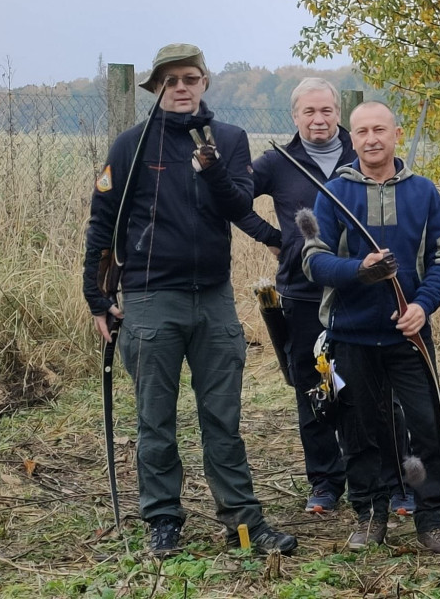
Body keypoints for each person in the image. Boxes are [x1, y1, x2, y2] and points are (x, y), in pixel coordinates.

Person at [82, 43, 296, 557]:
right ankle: (162, 520)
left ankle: (243, 523)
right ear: (156, 87)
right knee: (155, 418)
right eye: (171, 80)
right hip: (152, 298)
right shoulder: (131, 146)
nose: (181, 88)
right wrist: (97, 297)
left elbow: (238, 204)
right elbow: (102, 225)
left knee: (222, 417)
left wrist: (214, 168)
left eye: (190, 78)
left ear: (204, 84)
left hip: (215, 298)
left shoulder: (229, 139)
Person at [236, 78, 414, 516]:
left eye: (327, 111)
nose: (319, 120)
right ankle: (325, 481)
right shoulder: (278, 163)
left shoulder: (362, 152)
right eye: (309, 112)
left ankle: (395, 483)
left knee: (379, 391)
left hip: (361, 294)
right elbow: (233, 200)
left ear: (339, 114)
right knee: (315, 388)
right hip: (302, 293)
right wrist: (274, 238)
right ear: (295, 117)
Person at [300, 101, 440, 559]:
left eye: (380, 129)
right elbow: (313, 260)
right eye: (361, 132)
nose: (371, 139)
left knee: (428, 427)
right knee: (360, 429)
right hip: (352, 335)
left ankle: (432, 521)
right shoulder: (333, 193)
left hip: (409, 336)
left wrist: (422, 306)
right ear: (351, 139)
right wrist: (359, 270)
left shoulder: (424, 192)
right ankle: (371, 515)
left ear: (396, 133)